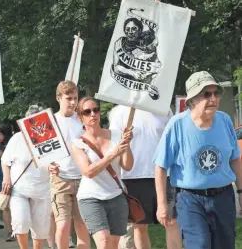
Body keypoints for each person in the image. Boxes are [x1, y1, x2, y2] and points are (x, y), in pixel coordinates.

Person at [153, 71, 242, 249]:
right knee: (199, 245)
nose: (213, 98)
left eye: (216, 93)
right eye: (206, 94)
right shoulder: (177, 125)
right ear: (192, 100)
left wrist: (241, 192)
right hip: (190, 198)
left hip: (223, 197)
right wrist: (162, 204)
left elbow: (235, 159)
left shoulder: (224, 121)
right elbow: (160, 167)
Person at [109, 105, 182, 249]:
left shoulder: (164, 108)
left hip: (165, 174)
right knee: (140, 226)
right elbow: (114, 144)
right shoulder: (120, 111)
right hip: (134, 176)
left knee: (172, 222)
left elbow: (174, 140)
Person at [70, 96, 133, 249]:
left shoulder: (116, 134)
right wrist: (113, 154)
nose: (93, 114)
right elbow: (88, 172)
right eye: (87, 111)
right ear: (80, 118)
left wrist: (126, 144)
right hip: (90, 197)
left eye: (95, 110)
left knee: (113, 244)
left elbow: (128, 165)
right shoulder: (77, 143)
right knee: (103, 241)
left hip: (116, 195)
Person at [1, 104, 52, 249]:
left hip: (42, 190)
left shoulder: (49, 138)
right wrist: (6, 179)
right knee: (21, 221)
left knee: (40, 229)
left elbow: (52, 160)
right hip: (19, 189)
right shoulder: (17, 139)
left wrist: (52, 167)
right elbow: (5, 161)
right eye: (31, 120)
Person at [47, 81, 90, 249]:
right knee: (63, 225)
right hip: (60, 179)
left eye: (75, 98)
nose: (72, 102)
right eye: (68, 98)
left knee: (82, 225)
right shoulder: (49, 122)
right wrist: (48, 166)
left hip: (83, 179)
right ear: (58, 98)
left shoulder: (82, 119)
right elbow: (41, 154)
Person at [0, 124, 14, 241]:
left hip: (15, 178)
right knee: (6, 207)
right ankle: (10, 232)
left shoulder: (13, 146)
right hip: (1, 179)